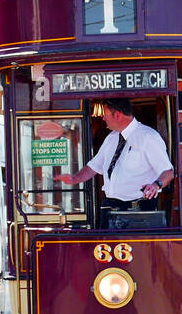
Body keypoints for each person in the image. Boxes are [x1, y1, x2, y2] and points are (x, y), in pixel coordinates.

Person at [53, 97, 174, 228]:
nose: (103, 118)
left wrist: (156, 185)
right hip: (110, 208)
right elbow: (93, 167)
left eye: (105, 115)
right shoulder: (111, 138)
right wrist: (75, 178)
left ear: (117, 115)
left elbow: (168, 172)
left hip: (137, 211)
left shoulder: (148, 137)